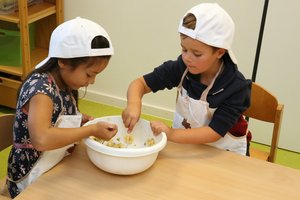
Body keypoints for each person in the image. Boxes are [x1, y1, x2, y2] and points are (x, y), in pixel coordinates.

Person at [6, 17, 118, 198]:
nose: (92, 81)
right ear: (63, 61)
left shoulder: (65, 83)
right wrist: (90, 130)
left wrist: (80, 120)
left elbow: (58, 114)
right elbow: (41, 138)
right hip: (31, 177)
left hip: (56, 163)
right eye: (90, 74)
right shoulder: (41, 91)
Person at [122, 3, 251, 156]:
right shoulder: (182, 68)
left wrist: (171, 134)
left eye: (197, 54)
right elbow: (140, 84)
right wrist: (134, 103)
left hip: (223, 152)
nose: (187, 58)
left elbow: (214, 132)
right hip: (186, 148)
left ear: (220, 52)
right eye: (184, 49)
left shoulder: (236, 87)